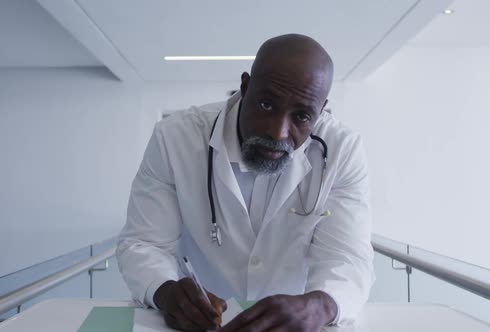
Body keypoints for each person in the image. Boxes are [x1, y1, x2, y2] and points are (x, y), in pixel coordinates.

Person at [117, 34, 374, 331]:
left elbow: (348, 258)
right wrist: (165, 290)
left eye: (302, 116)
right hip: (201, 322)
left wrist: (321, 305)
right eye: (266, 105)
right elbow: (144, 243)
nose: (278, 133)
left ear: (321, 110)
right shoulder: (174, 139)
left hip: (294, 324)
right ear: (245, 87)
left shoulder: (343, 151)